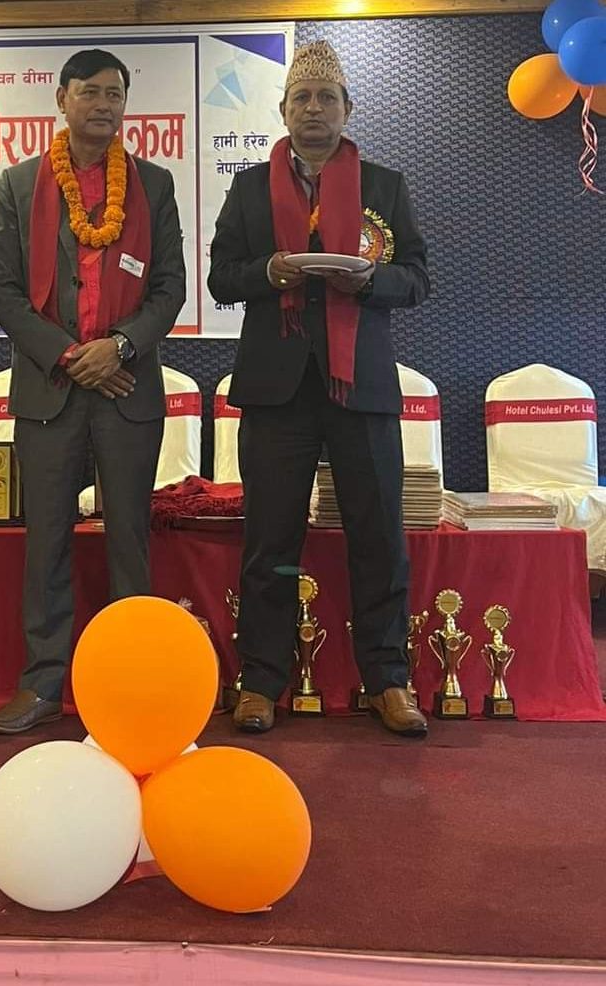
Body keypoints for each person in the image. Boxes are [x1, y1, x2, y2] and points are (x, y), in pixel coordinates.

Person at [207, 40, 431, 738]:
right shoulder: (250, 188)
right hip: (276, 389)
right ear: (283, 111)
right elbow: (221, 277)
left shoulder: (384, 186)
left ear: (347, 109)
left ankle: (387, 680)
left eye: (325, 98)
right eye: (301, 98)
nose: (313, 109)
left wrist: (371, 280)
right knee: (270, 539)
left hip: (359, 384)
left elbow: (417, 278)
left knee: (378, 536)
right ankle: (260, 681)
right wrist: (267, 273)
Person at [0, 48, 186, 734]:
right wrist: (71, 356)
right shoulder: (19, 184)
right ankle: (42, 683)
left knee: (129, 541)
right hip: (50, 390)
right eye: (90, 92)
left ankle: (133, 683)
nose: (103, 105)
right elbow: (3, 289)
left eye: (114, 95)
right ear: (62, 99)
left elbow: (170, 287)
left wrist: (119, 347)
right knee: (46, 545)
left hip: (128, 387)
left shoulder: (154, 184)